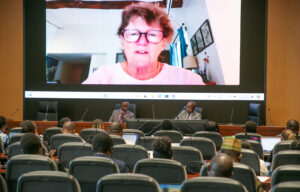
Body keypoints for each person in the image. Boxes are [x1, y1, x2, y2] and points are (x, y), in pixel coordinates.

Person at [82, 3, 204, 85]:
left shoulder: (189, 80)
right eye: (134, 33)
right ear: (122, 40)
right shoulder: (101, 78)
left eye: (152, 34)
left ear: (163, 42)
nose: (142, 42)